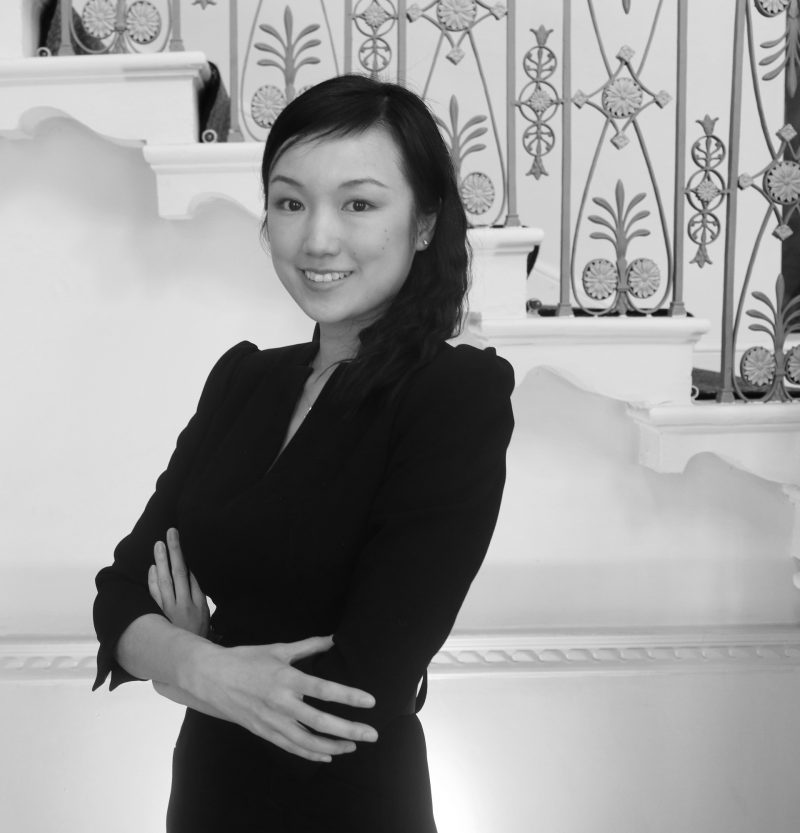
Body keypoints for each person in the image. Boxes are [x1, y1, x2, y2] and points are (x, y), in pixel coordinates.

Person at [92, 73, 515, 833]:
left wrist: (185, 659)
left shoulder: (454, 395)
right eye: (290, 202)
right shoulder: (244, 378)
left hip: (348, 801)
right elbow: (121, 592)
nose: (317, 238)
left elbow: (362, 683)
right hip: (209, 794)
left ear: (423, 222)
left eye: (358, 203)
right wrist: (198, 666)